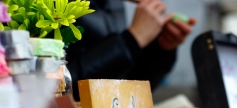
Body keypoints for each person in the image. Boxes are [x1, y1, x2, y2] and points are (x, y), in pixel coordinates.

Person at [66, 0, 196, 101]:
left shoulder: (113, 4)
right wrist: (132, 40)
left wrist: (160, 49)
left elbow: (123, 87)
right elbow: (57, 86)